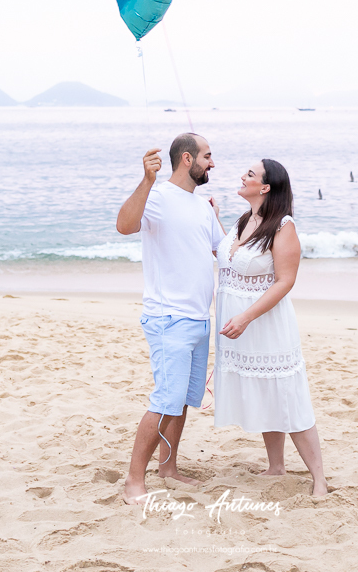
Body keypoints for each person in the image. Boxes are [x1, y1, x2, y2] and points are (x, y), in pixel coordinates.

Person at [115, 132, 225, 504]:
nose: (213, 163)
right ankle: (134, 481)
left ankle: (168, 467)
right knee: (165, 399)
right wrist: (146, 181)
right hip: (168, 318)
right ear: (187, 159)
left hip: (199, 319)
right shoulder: (158, 196)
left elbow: (222, 250)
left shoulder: (202, 206)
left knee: (181, 401)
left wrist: (222, 217)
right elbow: (125, 226)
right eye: (208, 156)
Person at [214, 159, 328, 496]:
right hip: (238, 325)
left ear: (265, 187)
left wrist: (246, 317)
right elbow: (235, 259)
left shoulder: (283, 226)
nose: (242, 176)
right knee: (266, 393)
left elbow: (285, 281)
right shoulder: (245, 221)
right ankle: (276, 466)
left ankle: (319, 478)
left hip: (264, 324)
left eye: (250, 174)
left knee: (286, 396)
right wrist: (215, 218)